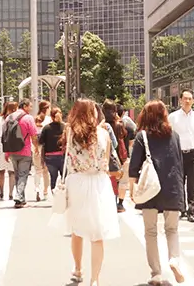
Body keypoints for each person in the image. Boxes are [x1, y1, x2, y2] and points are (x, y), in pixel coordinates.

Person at [57, 99, 119, 286]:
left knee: (77, 230)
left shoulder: (70, 133)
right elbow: (107, 162)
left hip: (77, 182)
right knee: (97, 233)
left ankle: (77, 269)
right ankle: (95, 279)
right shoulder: (104, 134)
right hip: (99, 182)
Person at [129, 100, 185, 285]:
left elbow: (134, 166)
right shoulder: (174, 136)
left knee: (151, 231)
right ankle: (174, 260)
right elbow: (179, 164)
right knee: (172, 229)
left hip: (150, 189)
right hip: (172, 187)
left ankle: (156, 273)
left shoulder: (141, 136)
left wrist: (131, 189)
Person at [168, 89, 194, 222]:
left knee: (192, 183)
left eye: (190, 99)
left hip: (193, 153)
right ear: (180, 101)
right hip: (178, 153)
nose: (187, 101)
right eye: (185, 98)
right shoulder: (172, 117)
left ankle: (191, 210)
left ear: (193, 101)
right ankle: (182, 209)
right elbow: (169, 136)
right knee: (179, 182)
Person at [4, 98, 39, 208]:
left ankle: (21, 201)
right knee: (23, 175)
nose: (31, 108)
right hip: (25, 150)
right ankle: (18, 196)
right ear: (25, 106)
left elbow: (6, 136)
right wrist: (36, 147)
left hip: (12, 151)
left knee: (18, 175)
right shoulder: (28, 118)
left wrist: (7, 152)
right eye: (30, 106)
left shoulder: (9, 117)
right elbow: (34, 135)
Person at [102, 99, 128, 213]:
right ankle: (117, 203)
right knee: (117, 181)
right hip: (117, 157)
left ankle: (107, 203)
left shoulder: (102, 125)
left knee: (105, 181)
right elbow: (121, 141)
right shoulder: (119, 124)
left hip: (103, 157)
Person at [0, 102, 17, 200]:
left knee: (1, 171)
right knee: (12, 172)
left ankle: (1, 192)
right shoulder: (15, 119)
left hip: (0, 144)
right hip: (12, 144)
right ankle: (11, 193)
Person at [39, 107, 65, 190]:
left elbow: (41, 141)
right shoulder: (65, 127)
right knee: (64, 177)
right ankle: (64, 196)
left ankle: (54, 195)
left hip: (50, 157)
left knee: (53, 177)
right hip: (63, 156)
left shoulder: (46, 128)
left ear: (51, 116)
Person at [33, 100, 51, 201]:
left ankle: (37, 189)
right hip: (46, 148)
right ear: (46, 108)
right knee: (45, 171)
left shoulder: (34, 119)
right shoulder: (49, 120)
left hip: (35, 147)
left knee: (37, 170)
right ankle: (45, 192)